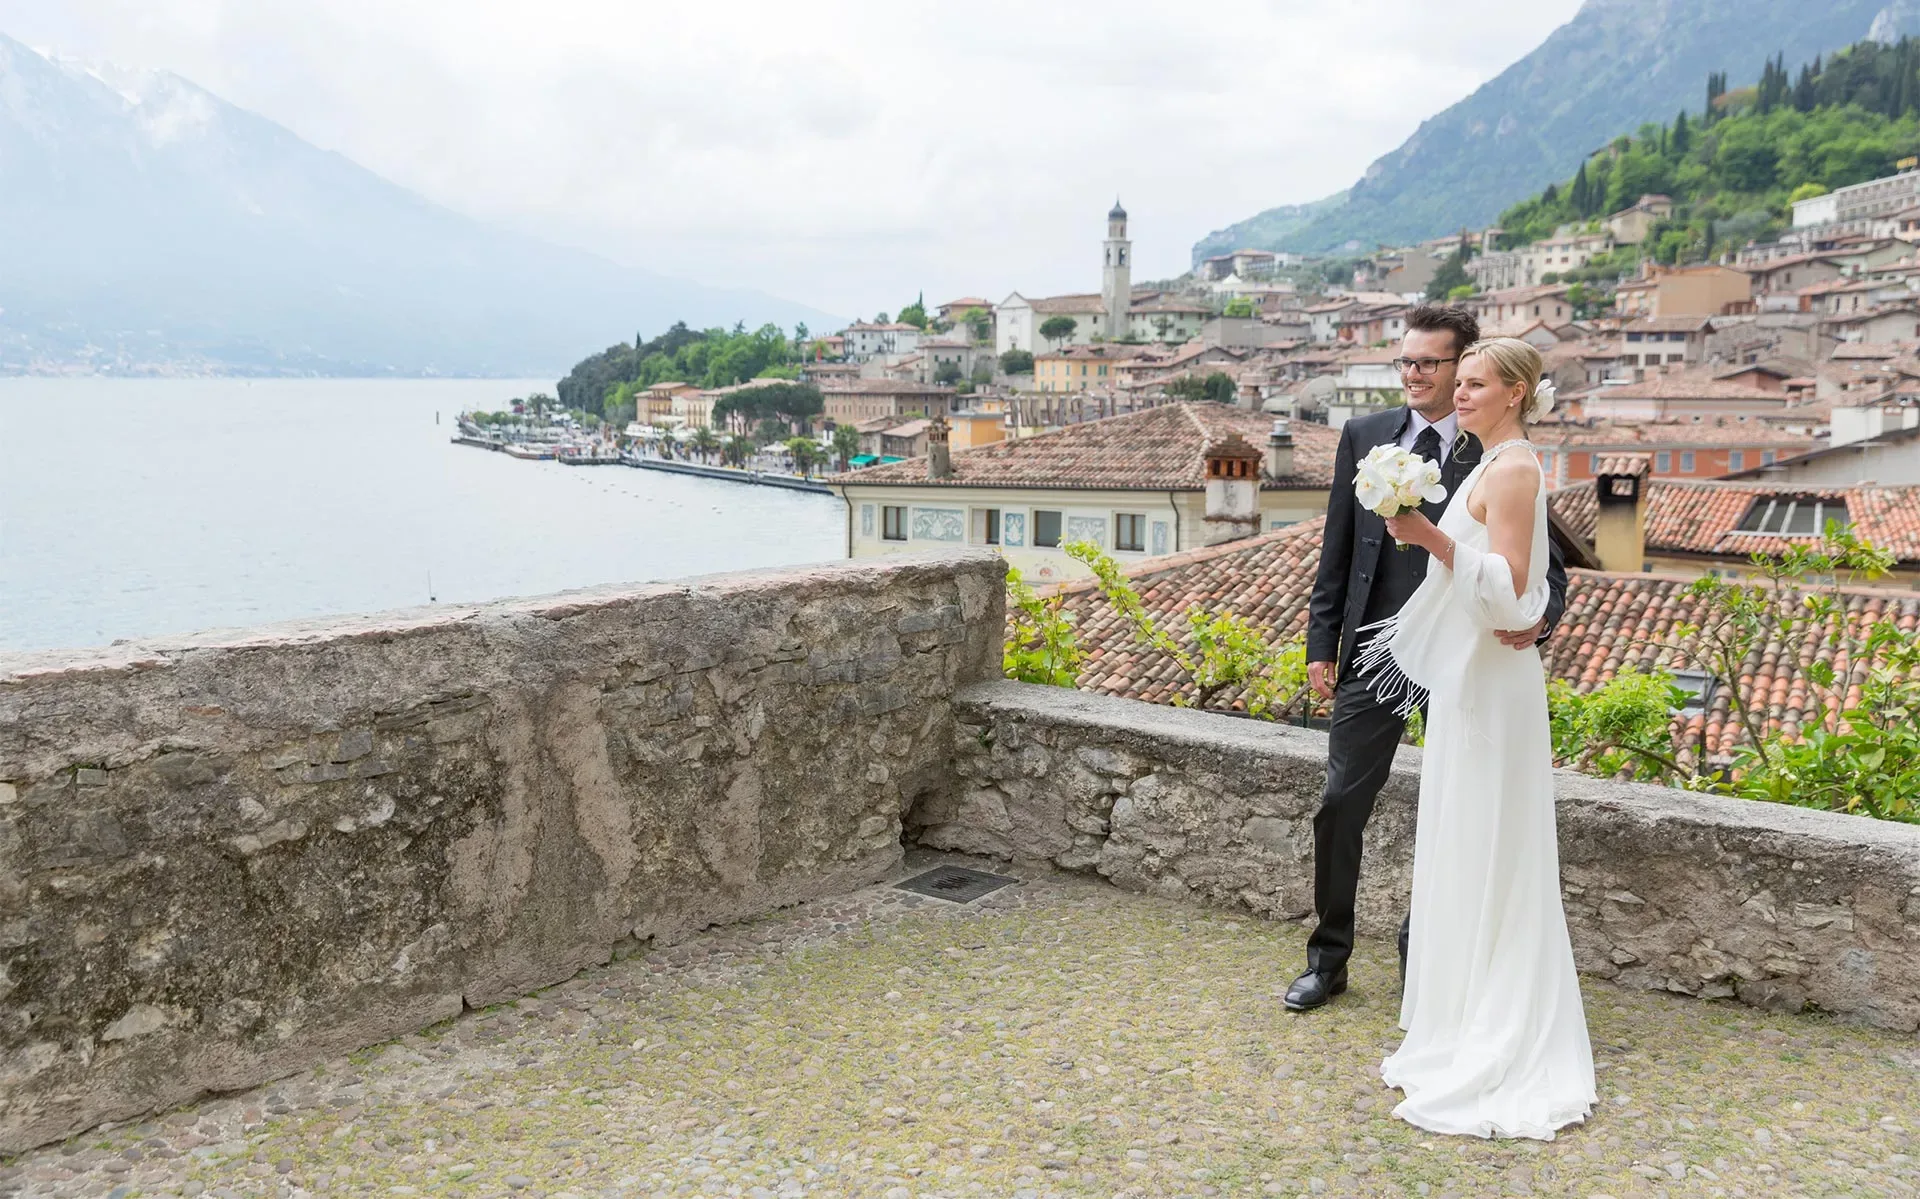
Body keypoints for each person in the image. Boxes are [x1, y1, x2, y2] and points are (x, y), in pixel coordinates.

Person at [1286, 305, 1567, 1014]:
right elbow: (1338, 548)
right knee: (1340, 802)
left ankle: (1428, 959)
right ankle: (1328, 957)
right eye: (1405, 362)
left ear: (1468, 367)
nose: (1413, 375)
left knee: (1453, 805)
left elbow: (1543, 563)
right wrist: (1323, 644)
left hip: (1466, 654)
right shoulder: (1365, 435)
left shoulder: (1495, 449)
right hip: (1379, 650)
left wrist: (1537, 622)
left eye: (1429, 363)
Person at [1367, 337, 1596, 1138]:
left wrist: (1424, 535)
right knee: (1466, 839)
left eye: (1473, 383)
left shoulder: (1514, 468)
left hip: (1494, 687)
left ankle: (1497, 1026)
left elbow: (1508, 592)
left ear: (1516, 391)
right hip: (1475, 680)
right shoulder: (1490, 459)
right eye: (1456, 382)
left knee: (1490, 841)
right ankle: (1462, 1017)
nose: (1456, 394)